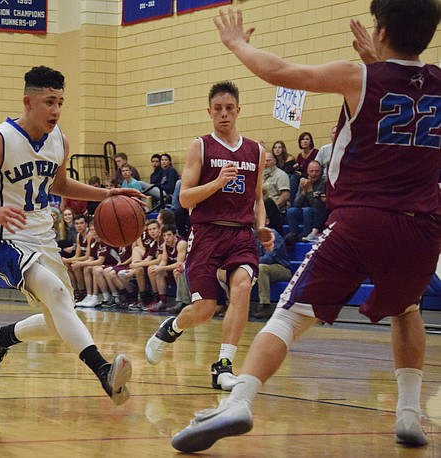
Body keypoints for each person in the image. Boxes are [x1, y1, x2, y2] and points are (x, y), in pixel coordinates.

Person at [170, 2, 441, 452]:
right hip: (423, 225)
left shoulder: (358, 76)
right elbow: (406, 95)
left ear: (382, 28)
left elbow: (280, 72)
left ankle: (239, 402)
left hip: (361, 219)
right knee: (408, 310)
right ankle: (410, 414)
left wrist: (237, 43)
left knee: (290, 315)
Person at [0, 66, 144, 405]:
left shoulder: (59, 139)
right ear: (28, 102)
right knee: (57, 295)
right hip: (6, 238)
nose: (56, 110)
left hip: (44, 238)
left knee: (56, 320)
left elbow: (59, 185)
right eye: (49, 102)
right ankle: (104, 372)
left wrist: (107, 194)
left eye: (61, 102)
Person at [144, 81, 273, 391]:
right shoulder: (200, 146)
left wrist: (261, 227)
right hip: (207, 233)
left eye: (229, 108)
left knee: (242, 286)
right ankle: (171, 328)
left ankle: (223, 366)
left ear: (239, 110)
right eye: (218, 109)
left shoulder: (255, 150)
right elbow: (185, 199)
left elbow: (257, 199)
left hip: (241, 235)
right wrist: (216, 182)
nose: (224, 114)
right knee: (205, 309)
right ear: (209, 112)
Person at [253, 226, 291, 319]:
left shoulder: (272, 234)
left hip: (282, 268)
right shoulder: (252, 235)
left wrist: (251, 261)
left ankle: (265, 305)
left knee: (262, 268)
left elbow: (268, 259)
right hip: (262, 266)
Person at [148, 224, 187, 312]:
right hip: (172, 268)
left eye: (169, 235)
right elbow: (164, 261)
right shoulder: (165, 245)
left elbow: (179, 264)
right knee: (157, 271)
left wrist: (161, 268)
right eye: (164, 236)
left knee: (177, 271)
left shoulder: (181, 243)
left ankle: (182, 301)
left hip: (186, 268)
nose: (166, 238)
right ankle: (162, 301)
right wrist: (157, 268)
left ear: (175, 235)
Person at [286, 160, 327, 242]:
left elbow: (318, 206)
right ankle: (294, 235)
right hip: (306, 210)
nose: (314, 173)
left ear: (321, 172)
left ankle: (307, 235)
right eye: (311, 171)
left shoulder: (324, 182)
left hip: (319, 213)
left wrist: (309, 190)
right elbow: (297, 204)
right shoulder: (304, 181)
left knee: (307, 210)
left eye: (317, 171)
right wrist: (303, 191)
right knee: (291, 211)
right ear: (307, 172)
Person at [262, 150, 291, 234]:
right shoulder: (260, 175)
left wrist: (273, 207)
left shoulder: (281, 175)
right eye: (264, 161)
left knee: (268, 203)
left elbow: (285, 195)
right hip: (261, 209)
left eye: (268, 160)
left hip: (275, 211)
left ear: (274, 161)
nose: (265, 163)